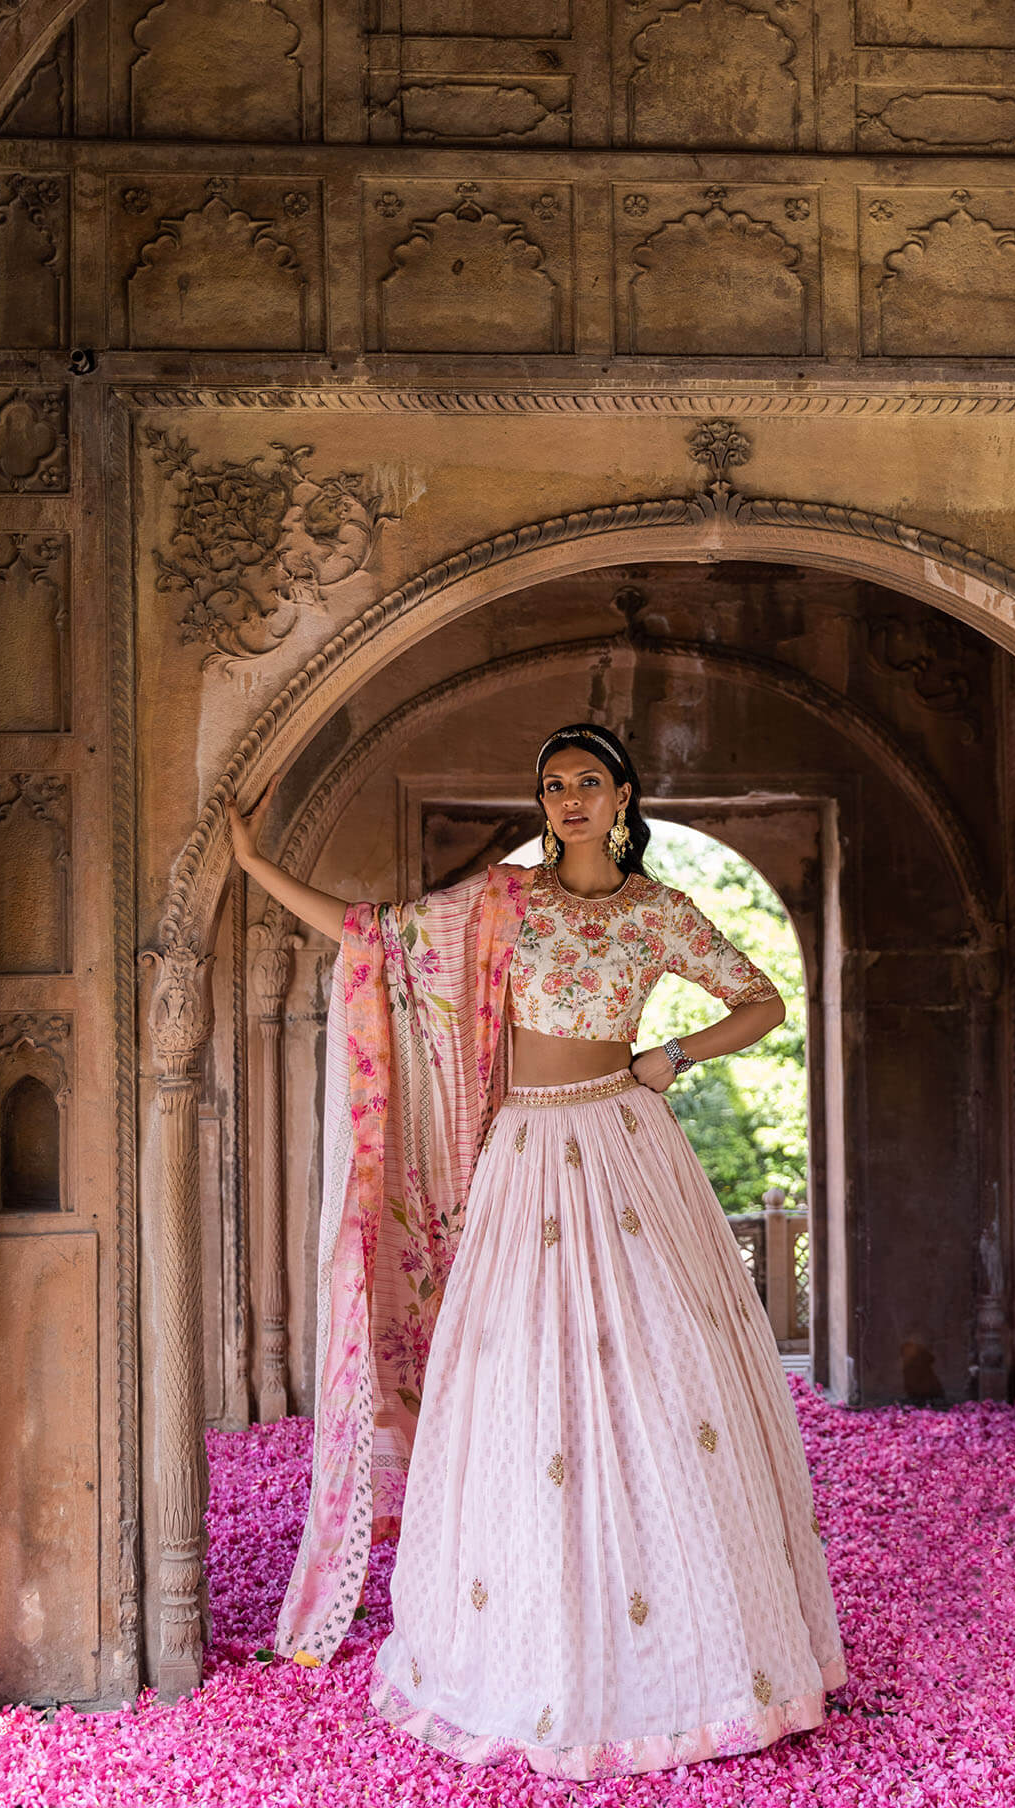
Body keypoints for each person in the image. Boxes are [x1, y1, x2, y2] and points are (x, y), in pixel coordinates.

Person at [226, 721, 847, 1783]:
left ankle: (687, 1659)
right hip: (524, 1155)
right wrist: (250, 866)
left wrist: (672, 1055)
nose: (567, 798)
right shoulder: (503, 901)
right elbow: (371, 937)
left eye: (586, 782)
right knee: (519, 1386)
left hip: (623, 1140)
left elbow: (763, 1001)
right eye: (552, 783)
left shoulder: (658, 911)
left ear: (621, 797)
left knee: (664, 1388)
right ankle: (528, 1643)